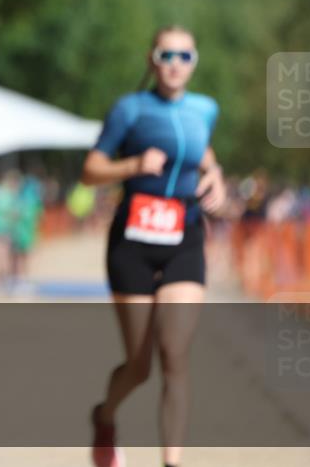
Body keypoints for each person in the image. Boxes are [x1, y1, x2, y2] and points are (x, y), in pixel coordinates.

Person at [80, 25, 227, 467]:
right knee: (140, 365)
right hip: (134, 242)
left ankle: (172, 461)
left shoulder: (206, 108)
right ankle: (104, 417)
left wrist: (215, 177)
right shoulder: (131, 109)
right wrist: (133, 165)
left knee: (175, 353)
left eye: (185, 56)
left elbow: (203, 152)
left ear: (194, 62)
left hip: (184, 237)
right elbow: (90, 170)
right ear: (152, 59)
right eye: (167, 55)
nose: (176, 65)